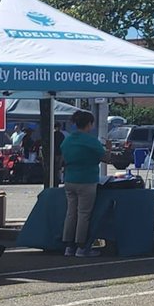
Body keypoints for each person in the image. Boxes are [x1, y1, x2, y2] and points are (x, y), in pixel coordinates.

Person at [60, 109, 111, 257]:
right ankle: (81, 247)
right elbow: (106, 159)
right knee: (84, 214)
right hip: (87, 180)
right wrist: (109, 149)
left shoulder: (68, 140)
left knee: (71, 213)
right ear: (89, 124)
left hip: (70, 179)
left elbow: (62, 158)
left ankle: (68, 246)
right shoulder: (90, 141)